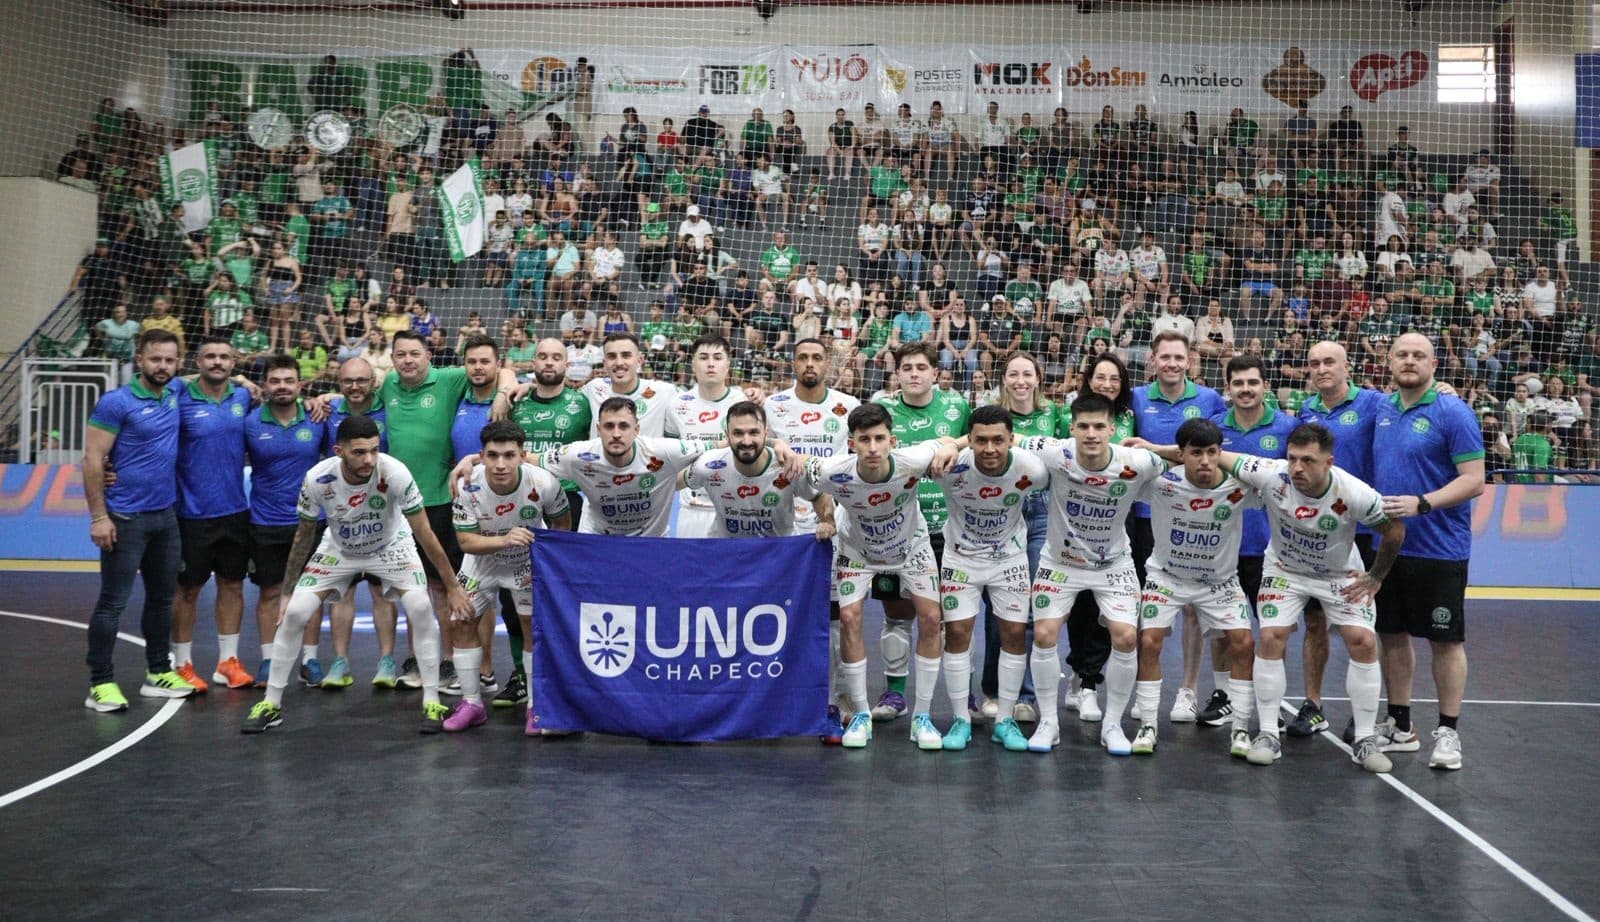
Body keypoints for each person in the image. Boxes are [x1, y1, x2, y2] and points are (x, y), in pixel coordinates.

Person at [1141, 422, 1407, 772]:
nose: (1297, 468)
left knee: (1363, 642)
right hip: (1285, 571)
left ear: (1329, 462)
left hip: (1338, 574)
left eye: (1308, 461)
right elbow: (1216, 456)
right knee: (1270, 636)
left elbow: (1394, 530)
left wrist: (1375, 577)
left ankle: (1365, 740)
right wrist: (1158, 448)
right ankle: (1267, 734)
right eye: (1293, 458)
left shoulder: (1354, 493)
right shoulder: (1272, 474)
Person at [241, 416, 473, 734]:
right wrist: (286, 592)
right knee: (294, 613)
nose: (368, 459)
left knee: (420, 607)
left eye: (374, 451)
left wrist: (452, 586)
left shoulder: (394, 473)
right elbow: (303, 536)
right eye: (360, 452)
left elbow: (424, 532)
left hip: (392, 546)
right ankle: (271, 704)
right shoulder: (317, 478)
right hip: (340, 549)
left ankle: (431, 701)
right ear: (339, 451)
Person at [1017, 393, 1167, 754]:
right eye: (1083, 426)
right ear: (1072, 429)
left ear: (1111, 430)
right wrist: (950, 444)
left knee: (1127, 638)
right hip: (1060, 563)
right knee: (1044, 632)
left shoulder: (1138, 461)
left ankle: (1112, 726)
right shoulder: (1054, 451)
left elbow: (1183, 457)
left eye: (1099, 426)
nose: (1091, 433)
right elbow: (1005, 436)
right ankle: (1049, 724)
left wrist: (1159, 445)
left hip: (1112, 564)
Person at [804, 404, 959, 748]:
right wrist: (827, 514)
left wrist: (950, 446)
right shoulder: (832, 470)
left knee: (932, 618)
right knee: (848, 618)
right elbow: (806, 475)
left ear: (892, 440)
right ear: (851, 443)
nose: (872, 447)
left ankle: (922, 717)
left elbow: (951, 441)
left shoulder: (913, 460)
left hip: (911, 548)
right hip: (858, 551)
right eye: (864, 440)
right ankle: (860, 714)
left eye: (879, 439)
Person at [1374, 333, 1487, 770]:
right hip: (1388, 544)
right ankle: (1400, 726)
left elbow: (1474, 479)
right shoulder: (1382, 407)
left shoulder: (1452, 411)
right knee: (1393, 635)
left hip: (1440, 548)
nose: (1409, 361)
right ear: (1388, 361)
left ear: (1434, 364)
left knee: (1445, 640)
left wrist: (1422, 503)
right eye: (1401, 354)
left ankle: (1448, 733)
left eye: (1418, 355)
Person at [82, 330, 197, 712]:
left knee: (162, 600)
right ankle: (100, 683)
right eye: (155, 359)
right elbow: (93, 460)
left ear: (177, 362)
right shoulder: (116, 402)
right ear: (139, 359)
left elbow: (202, 379)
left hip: (166, 516)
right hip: (124, 518)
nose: (162, 366)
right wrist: (99, 517)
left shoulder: (174, 392)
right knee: (112, 603)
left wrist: (243, 378)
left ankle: (157, 672)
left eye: (169, 359)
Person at [1130, 418, 1258, 758]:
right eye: (1196, 452)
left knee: (1244, 643)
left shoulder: (1239, 487)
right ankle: (1147, 724)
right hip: (1167, 578)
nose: (1204, 460)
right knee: (1149, 641)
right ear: (1181, 453)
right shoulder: (1160, 483)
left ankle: (1242, 728)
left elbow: (1280, 484)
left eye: (1212, 452)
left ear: (1221, 453)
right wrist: (1156, 452)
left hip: (1219, 582)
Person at [935, 405, 1050, 752]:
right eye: (980, 440)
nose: (989, 449)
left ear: (1012, 440)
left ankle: (1005, 720)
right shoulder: (949, 465)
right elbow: (914, 454)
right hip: (961, 559)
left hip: (1009, 560)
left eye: (998, 440)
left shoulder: (1033, 469)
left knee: (1014, 633)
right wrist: (947, 445)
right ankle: (960, 719)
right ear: (969, 440)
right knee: (957, 633)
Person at [445, 420, 571, 734]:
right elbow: (465, 542)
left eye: (509, 455)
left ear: (521, 455)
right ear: (481, 456)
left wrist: (544, 566)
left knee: (531, 630)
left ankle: (535, 707)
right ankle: (472, 703)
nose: (501, 464)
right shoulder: (466, 484)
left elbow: (562, 525)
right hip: (481, 562)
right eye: (493, 455)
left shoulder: (543, 482)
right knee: (460, 622)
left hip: (527, 565)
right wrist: (505, 539)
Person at [1289, 340, 1387, 736]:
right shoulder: (1308, 411)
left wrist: (1443, 391)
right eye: (1314, 363)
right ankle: (1313, 705)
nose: (1321, 368)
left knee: (1359, 629)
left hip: (1360, 531)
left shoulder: (1375, 404)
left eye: (1329, 361)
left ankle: (1366, 713)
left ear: (1348, 367)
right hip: (1315, 530)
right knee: (1314, 624)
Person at [871, 342, 971, 722]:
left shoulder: (957, 407)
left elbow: (979, 442)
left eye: (921, 367)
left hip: (948, 527)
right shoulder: (883, 411)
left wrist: (954, 443)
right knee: (898, 615)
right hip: (895, 528)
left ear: (935, 373)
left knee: (953, 618)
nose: (914, 374)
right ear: (897, 374)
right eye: (907, 368)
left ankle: (967, 696)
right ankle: (895, 694)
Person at [1128, 332, 1225, 721]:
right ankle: (1143, 688)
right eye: (1164, 357)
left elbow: (1216, 452)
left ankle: (1187, 690)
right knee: (1145, 607)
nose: (1171, 363)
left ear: (1190, 361)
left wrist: (1160, 451)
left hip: (1196, 514)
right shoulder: (1135, 398)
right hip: (1146, 516)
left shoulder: (1209, 400)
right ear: (1152, 360)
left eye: (1178, 357)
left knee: (1192, 609)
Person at [1201, 354, 1297, 728]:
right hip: (1222, 544)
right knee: (1224, 626)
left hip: (1272, 547)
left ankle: (1271, 701)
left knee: (1273, 629)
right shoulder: (1212, 429)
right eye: (1238, 383)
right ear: (1228, 388)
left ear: (1265, 386)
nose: (1245, 389)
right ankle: (1224, 695)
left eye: (1252, 382)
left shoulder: (1288, 427)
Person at [168, 335, 255, 692]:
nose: (217, 362)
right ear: (197, 362)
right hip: (192, 514)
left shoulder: (244, 397)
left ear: (233, 362)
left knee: (232, 586)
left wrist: (241, 382)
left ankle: (227, 662)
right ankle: (183, 664)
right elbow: (165, 377)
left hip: (235, 511)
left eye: (224, 357)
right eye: (210, 357)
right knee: (187, 591)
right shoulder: (179, 395)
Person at [243, 355, 328, 695]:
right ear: (265, 385)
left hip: (311, 522)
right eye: (275, 381)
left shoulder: (318, 419)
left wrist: (328, 399)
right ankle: (268, 658)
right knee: (270, 592)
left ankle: (309, 659)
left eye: (288, 380)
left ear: (299, 385)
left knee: (311, 595)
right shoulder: (250, 424)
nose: (282, 386)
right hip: (264, 521)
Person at [684, 400, 832, 540]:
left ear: (765, 433)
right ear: (727, 435)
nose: (746, 441)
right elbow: (673, 481)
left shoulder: (788, 465)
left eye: (754, 432)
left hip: (777, 555)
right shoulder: (709, 465)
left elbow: (818, 495)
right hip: (727, 554)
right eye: (738, 433)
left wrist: (828, 522)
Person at [669, 334, 749, 537]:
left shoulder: (743, 403)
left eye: (717, 357)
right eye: (703, 357)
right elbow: (671, 456)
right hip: (691, 509)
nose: (710, 364)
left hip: (734, 508)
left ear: (728, 364)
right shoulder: (678, 404)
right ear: (693, 364)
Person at [582, 332, 681, 438]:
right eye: (611, 356)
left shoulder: (664, 392)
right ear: (605, 363)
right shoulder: (593, 388)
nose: (619, 363)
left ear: (640, 360)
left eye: (626, 355)